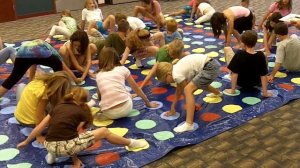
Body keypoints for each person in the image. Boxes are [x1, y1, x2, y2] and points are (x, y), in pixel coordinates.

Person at [17, 87, 149, 167]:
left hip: (49, 145)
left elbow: (39, 127)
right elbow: (73, 135)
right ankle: (131, 143)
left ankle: (52, 156)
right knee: (104, 131)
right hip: (66, 147)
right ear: (83, 102)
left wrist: (26, 141)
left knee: (59, 131)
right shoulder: (81, 112)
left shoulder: (57, 107)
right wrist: (75, 161)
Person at [156, 54, 221, 133]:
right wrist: (173, 109)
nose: (167, 82)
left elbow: (186, 91)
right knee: (199, 83)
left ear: (169, 74)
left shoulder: (176, 75)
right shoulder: (176, 69)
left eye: (166, 80)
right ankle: (218, 93)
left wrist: (192, 104)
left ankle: (189, 124)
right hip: (212, 65)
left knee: (188, 89)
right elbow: (178, 91)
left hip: (210, 68)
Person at [95, 47, 158, 120]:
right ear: (116, 57)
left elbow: (100, 95)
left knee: (110, 94)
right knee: (125, 91)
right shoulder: (122, 69)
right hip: (126, 109)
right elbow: (137, 89)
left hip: (109, 113)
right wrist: (148, 103)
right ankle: (125, 98)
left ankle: (108, 113)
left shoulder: (98, 75)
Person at [223, 30, 271, 97]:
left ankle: (231, 85)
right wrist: (265, 92)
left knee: (227, 49)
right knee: (264, 56)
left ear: (243, 43)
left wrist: (232, 90)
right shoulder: (260, 55)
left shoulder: (239, 54)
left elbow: (234, 74)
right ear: (255, 42)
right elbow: (263, 75)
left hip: (241, 83)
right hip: (256, 82)